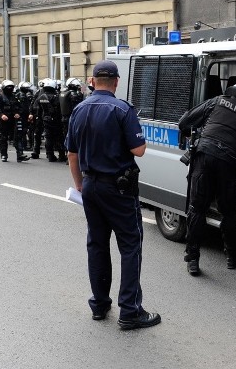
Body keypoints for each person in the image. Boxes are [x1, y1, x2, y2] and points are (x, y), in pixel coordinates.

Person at [66, 60, 160, 331]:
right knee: (130, 245)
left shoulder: (79, 110)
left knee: (96, 244)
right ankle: (130, 310)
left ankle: (99, 304)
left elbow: (72, 154)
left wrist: (81, 186)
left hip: (91, 186)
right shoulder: (122, 109)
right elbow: (139, 150)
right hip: (118, 188)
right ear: (116, 82)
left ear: (92, 81)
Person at [178, 82, 236, 276]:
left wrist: (196, 137)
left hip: (204, 156)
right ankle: (231, 257)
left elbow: (184, 122)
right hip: (229, 163)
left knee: (197, 208)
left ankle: (193, 260)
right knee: (229, 211)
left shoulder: (217, 101)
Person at [0, 80, 30, 163]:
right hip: (4, 121)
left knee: (18, 137)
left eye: (11, 87)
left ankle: (20, 155)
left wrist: (18, 113)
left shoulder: (14, 96)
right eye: (8, 87)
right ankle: (4, 155)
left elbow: (20, 107)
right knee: (4, 138)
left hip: (14, 120)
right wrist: (1, 115)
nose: (10, 88)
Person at [35, 79, 66, 162]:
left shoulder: (41, 97)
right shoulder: (56, 97)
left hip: (45, 119)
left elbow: (38, 109)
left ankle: (50, 155)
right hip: (56, 120)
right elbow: (60, 109)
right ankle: (62, 155)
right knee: (59, 137)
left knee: (48, 138)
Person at [60, 78, 85, 159]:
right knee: (72, 138)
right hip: (72, 118)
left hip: (64, 117)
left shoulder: (63, 93)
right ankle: (71, 157)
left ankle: (65, 155)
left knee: (65, 136)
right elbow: (78, 107)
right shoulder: (73, 95)